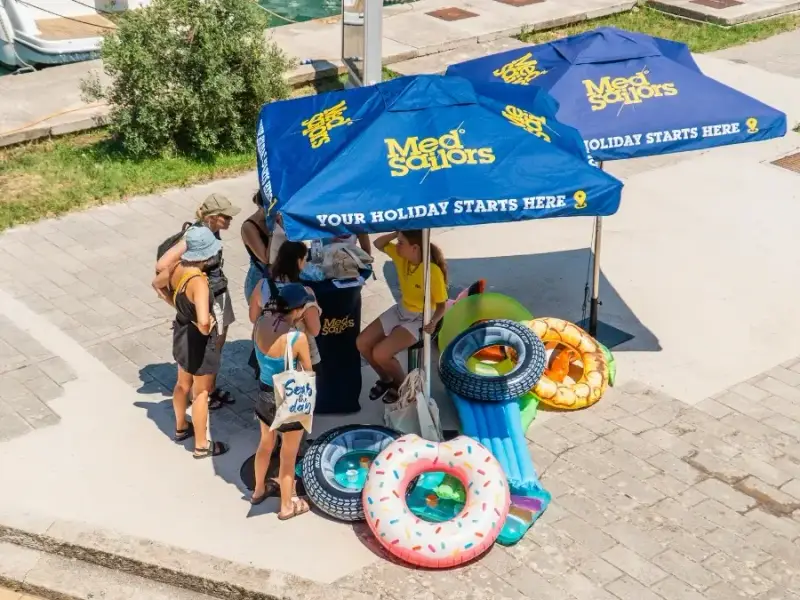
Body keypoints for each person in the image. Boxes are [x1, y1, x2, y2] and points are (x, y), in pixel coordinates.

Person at [154, 194, 240, 410]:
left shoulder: (210, 229)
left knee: (215, 345)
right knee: (212, 346)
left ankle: (207, 388)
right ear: (212, 217)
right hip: (208, 297)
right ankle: (203, 393)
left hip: (217, 293)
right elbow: (162, 265)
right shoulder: (197, 234)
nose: (230, 220)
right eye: (226, 216)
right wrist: (188, 273)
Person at [357, 230, 448, 404]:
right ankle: (386, 379)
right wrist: (396, 233)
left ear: (415, 248)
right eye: (398, 242)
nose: (397, 246)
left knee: (381, 354)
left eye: (401, 243)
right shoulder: (402, 257)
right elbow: (378, 244)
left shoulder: (432, 272)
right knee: (362, 343)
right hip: (401, 309)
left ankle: (403, 388)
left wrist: (434, 322)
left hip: (420, 317)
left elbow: (442, 305)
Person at [250, 283, 315, 519]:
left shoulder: (260, 323)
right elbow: (308, 371)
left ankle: (258, 491)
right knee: (288, 455)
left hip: (264, 394)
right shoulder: (296, 339)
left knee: (265, 445)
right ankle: (287, 506)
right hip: (287, 399)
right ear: (297, 311)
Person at [163, 227, 229, 458]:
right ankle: (202, 445)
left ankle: (181, 427)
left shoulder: (176, 268)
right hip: (198, 340)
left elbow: (157, 283)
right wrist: (207, 323)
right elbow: (202, 321)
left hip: (181, 332)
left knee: (182, 383)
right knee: (200, 393)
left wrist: (177, 307)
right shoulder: (199, 282)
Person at [249, 241, 321, 368]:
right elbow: (315, 330)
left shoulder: (262, 285)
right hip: (298, 359)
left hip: (268, 353)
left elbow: (253, 317)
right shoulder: (305, 293)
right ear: (299, 262)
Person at [241, 190, 271, 302]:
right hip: (260, 277)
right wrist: (273, 230)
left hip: (279, 275)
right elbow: (266, 258)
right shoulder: (249, 227)